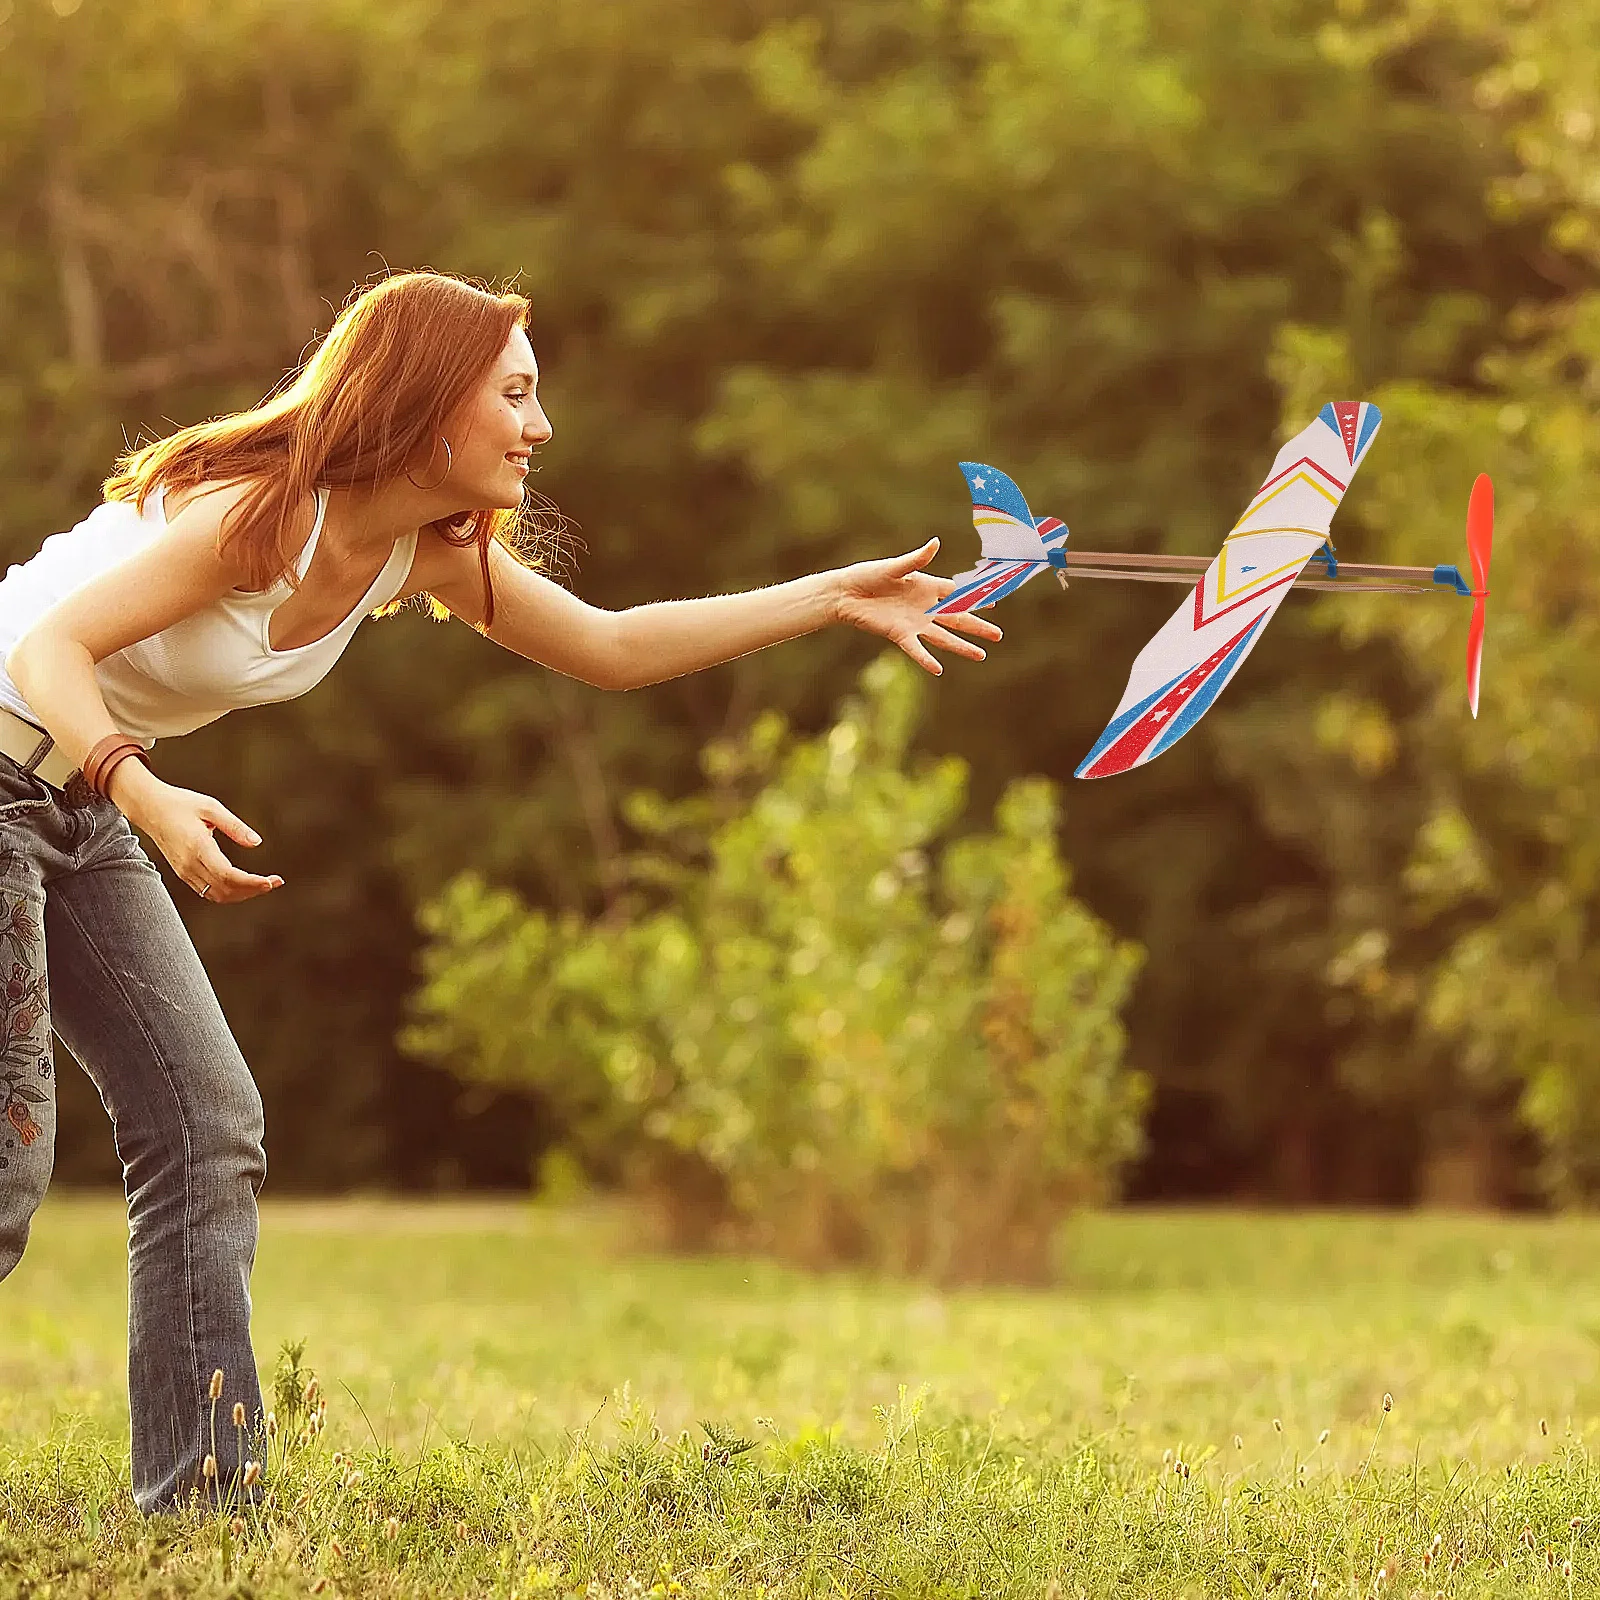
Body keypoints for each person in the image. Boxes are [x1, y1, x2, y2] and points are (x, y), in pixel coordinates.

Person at [0, 269, 1000, 1512]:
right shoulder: (260, 512)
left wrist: (831, 597)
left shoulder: (413, 555)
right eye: (514, 396)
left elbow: (611, 646)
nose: (540, 426)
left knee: (207, 1124)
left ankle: (201, 1505)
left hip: (79, 790)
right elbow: (46, 648)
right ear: (428, 408)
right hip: (35, 757)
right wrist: (144, 792)